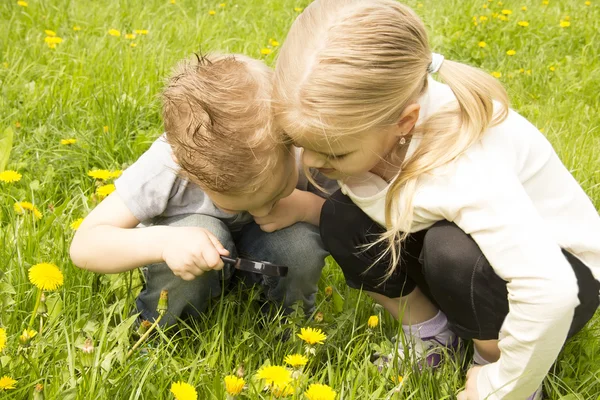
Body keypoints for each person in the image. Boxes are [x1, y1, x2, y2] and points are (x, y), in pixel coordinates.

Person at [271, 1, 600, 399]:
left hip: (561, 276)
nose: (313, 162)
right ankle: (432, 335)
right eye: (302, 145)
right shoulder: (364, 124)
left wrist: (504, 386)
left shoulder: (465, 168)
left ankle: (492, 362)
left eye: (335, 155)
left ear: (404, 123)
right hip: (482, 253)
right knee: (339, 215)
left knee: (453, 252)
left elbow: (551, 291)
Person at [70, 53, 332, 327]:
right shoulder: (168, 165)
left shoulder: (299, 149)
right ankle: (161, 331)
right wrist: (164, 243)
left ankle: (290, 327)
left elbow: (350, 220)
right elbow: (84, 245)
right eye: (236, 204)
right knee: (202, 228)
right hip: (189, 265)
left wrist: (306, 207)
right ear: (187, 171)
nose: (264, 211)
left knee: (300, 244)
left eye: (277, 193)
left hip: (261, 260)